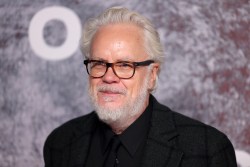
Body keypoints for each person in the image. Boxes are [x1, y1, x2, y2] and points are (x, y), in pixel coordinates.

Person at [43, 6, 237, 167]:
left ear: (152, 75)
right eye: (99, 64)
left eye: (125, 65)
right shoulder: (60, 143)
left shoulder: (208, 150)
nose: (109, 77)